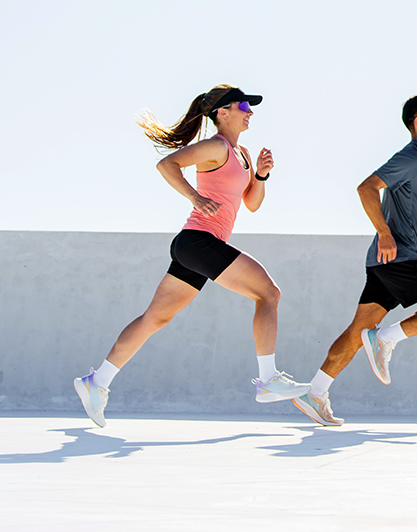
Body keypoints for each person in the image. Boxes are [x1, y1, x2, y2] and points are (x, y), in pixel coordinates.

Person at [74, 85, 309, 427]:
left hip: (194, 246)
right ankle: (268, 380)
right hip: (199, 241)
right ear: (222, 113)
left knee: (155, 318)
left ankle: (97, 383)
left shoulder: (240, 152)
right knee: (269, 293)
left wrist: (260, 175)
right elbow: (167, 164)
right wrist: (194, 198)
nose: (250, 112)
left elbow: (252, 204)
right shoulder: (215, 147)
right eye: (243, 105)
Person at [293, 92, 417, 427]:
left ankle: (315, 392)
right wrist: (384, 232)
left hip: (386, 262)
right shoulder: (409, 158)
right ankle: (385, 339)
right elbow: (366, 188)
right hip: (399, 259)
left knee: (356, 332)